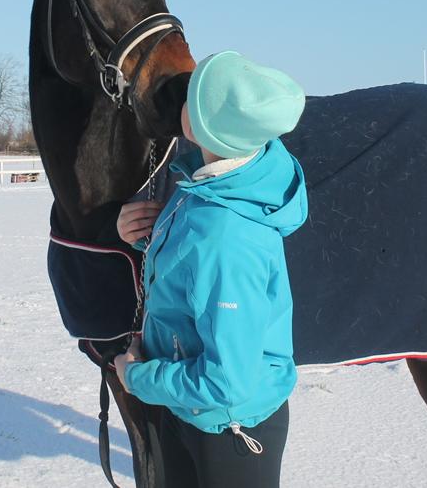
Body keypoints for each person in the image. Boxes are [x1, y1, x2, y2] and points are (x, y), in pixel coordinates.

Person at [113, 51, 308, 488]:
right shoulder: (210, 188)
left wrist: (138, 378)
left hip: (229, 427)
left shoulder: (228, 236)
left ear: (196, 125)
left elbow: (227, 383)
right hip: (193, 409)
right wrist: (145, 234)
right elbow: (196, 259)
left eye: (190, 97)